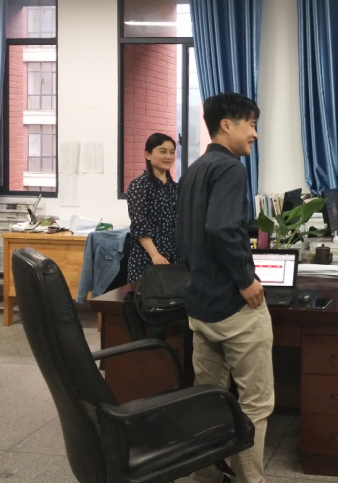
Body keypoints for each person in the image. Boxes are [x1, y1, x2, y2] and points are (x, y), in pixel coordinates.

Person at [176, 92, 271, 483]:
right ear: (227, 125)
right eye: (251, 124)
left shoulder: (194, 170)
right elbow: (220, 228)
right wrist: (246, 279)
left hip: (200, 305)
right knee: (256, 403)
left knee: (209, 398)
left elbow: (187, 236)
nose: (255, 134)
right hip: (233, 307)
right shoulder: (231, 168)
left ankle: (206, 478)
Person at [127, 132, 179, 283]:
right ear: (148, 155)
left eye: (172, 152)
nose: (168, 156)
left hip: (174, 258)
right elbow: (139, 224)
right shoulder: (139, 185)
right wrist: (155, 254)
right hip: (147, 259)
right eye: (163, 151)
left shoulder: (176, 188)